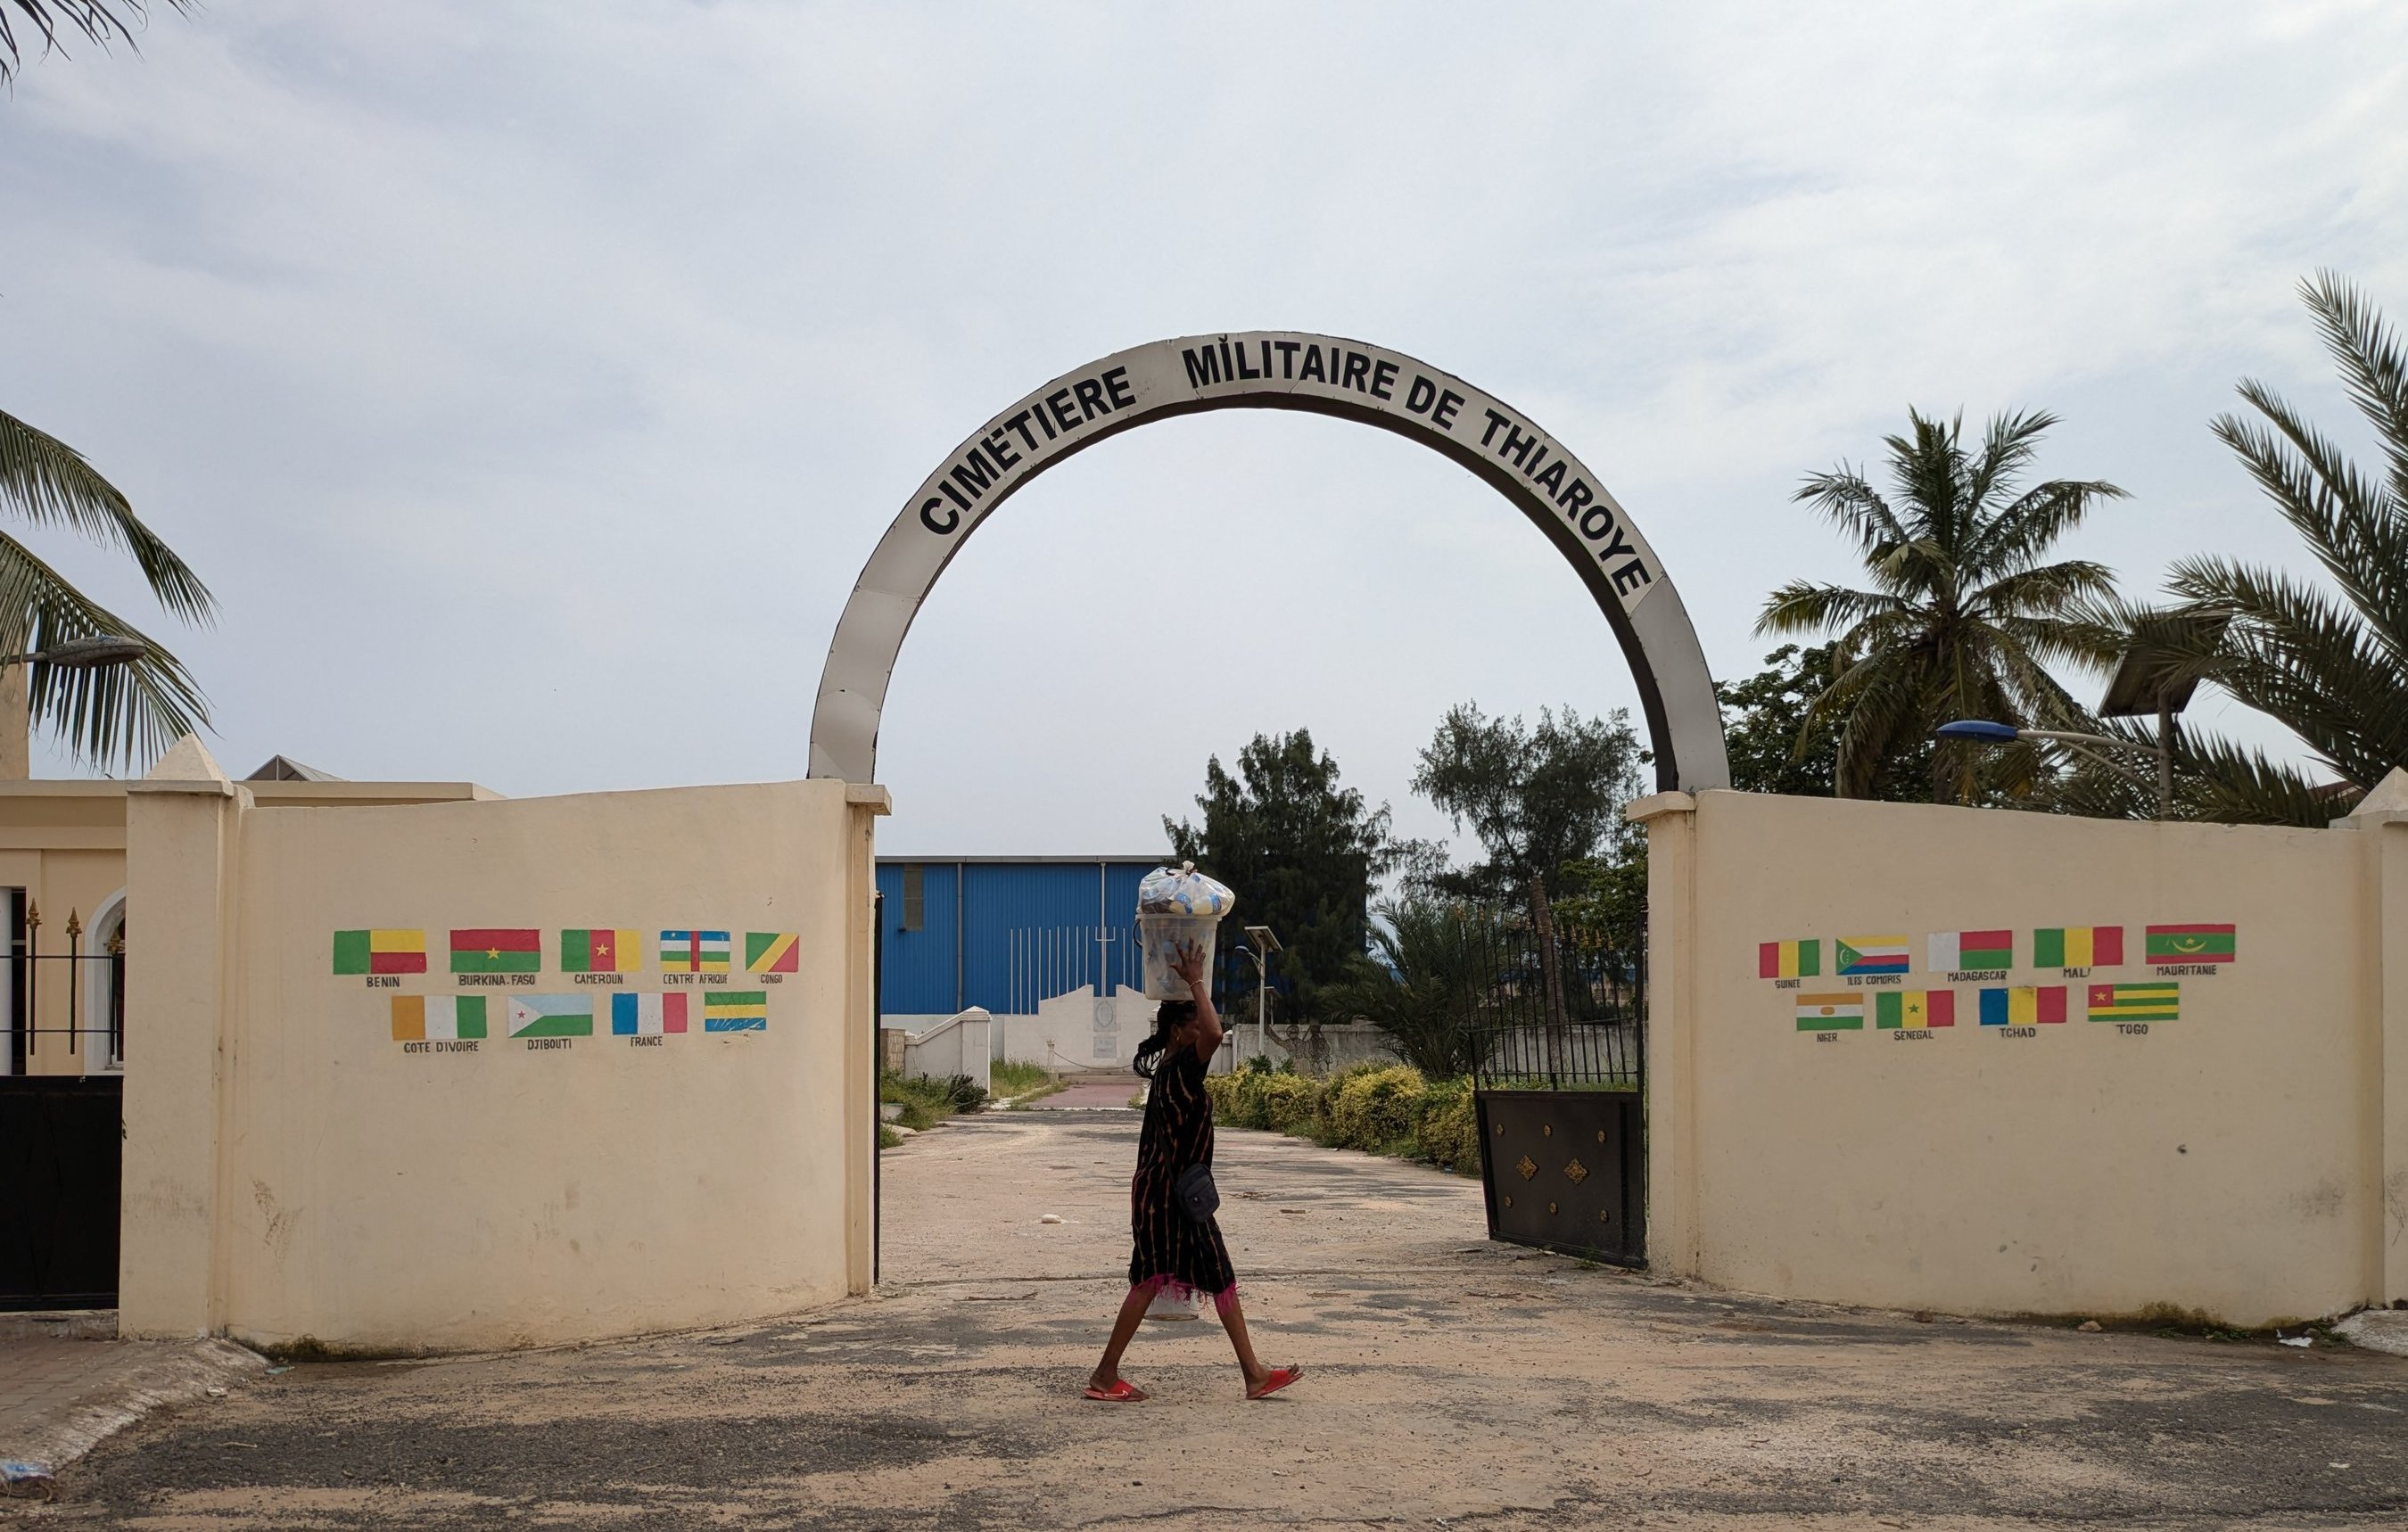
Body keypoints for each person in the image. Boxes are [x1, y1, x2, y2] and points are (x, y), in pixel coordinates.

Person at [1084, 941, 1302, 1402]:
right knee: (1152, 1280)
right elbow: (1217, 1033)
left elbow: (1208, 1030)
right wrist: (1198, 980)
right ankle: (1105, 1375)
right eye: (1192, 1023)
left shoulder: (1169, 1068)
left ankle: (1253, 1373)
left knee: (1206, 1276)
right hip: (1172, 1199)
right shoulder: (1182, 1068)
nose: (1200, 1028)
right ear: (1181, 1033)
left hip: (1164, 1195)